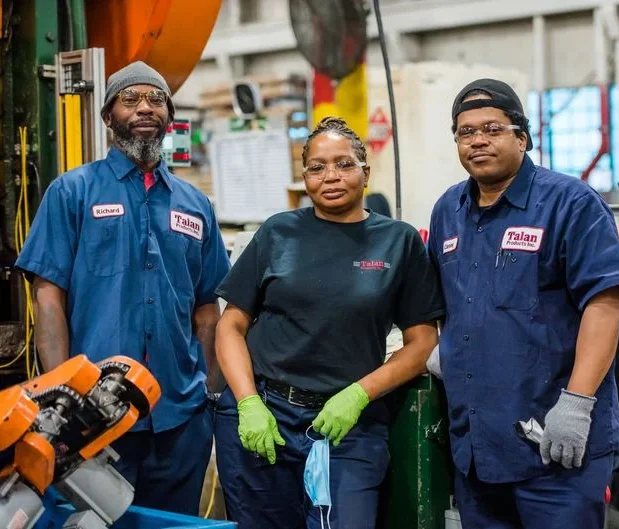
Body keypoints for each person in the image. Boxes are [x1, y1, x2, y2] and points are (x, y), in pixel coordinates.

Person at [14, 61, 230, 515]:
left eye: (156, 99)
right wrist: (63, 398)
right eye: (130, 99)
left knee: (173, 525)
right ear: (108, 117)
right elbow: (49, 297)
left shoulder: (196, 205)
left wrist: (207, 397)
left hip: (179, 417)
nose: (145, 108)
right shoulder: (72, 192)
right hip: (91, 416)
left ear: (170, 117)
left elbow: (207, 309)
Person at [213, 116, 445, 529]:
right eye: (317, 168)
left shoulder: (398, 241)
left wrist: (359, 394)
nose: (330, 176)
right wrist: (247, 402)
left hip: (348, 424)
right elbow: (231, 326)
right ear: (304, 178)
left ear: (365, 172)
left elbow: (422, 342)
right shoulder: (278, 233)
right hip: (266, 413)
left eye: (343, 164)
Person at [427, 79, 619, 529]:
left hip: (554, 445)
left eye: (492, 128)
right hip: (479, 450)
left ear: (521, 137)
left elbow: (605, 302)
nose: (478, 140)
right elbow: (448, 304)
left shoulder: (569, 202)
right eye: (466, 132)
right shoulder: (449, 209)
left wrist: (578, 403)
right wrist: (443, 349)